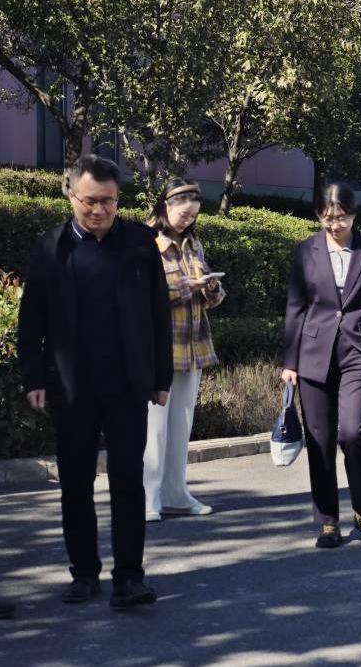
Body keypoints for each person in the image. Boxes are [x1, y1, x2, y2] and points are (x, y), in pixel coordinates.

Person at [17, 154, 173, 610]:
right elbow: (32, 318)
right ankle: (84, 573)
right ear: (71, 196)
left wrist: (160, 376)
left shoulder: (140, 243)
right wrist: (33, 376)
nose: (100, 210)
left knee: (128, 480)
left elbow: (158, 314)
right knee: (76, 482)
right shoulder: (52, 247)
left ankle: (129, 578)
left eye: (108, 201)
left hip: (127, 385)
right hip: (72, 386)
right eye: (90, 201)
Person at [282, 181, 361, 549]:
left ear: (354, 214)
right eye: (327, 218)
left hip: (359, 353)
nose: (335, 225)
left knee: (353, 432)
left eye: (342, 218)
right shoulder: (306, 251)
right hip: (312, 354)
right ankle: (327, 521)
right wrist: (290, 361)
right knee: (319, 440)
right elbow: (295, 307)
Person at [144, 179, 225, 522]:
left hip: (192, 346)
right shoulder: (147, 243)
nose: (188, 220)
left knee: (181, 426)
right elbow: (139, 293)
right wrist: (183, 287)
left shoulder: (194, 244)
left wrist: (211, 288)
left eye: (193, 216)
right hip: (158, 348)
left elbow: (211, 301)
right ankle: (147, 498)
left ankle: (175, 493)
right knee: (154, 428)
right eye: (183, 214)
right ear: (166, 207)